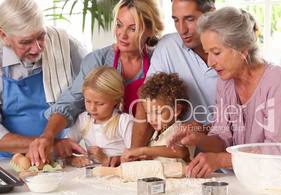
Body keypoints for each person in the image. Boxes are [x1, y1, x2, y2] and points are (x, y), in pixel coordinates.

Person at [168, 7, 281, 178]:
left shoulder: (280, 83)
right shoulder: (225, 84)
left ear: (243, 49)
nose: (210, 62)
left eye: (216, 52)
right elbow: (222, 139)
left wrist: (220, 161)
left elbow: (276, 153)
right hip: (253, 181)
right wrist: (197, 138)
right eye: (207, 53)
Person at [28, 0, 164, 166]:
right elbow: (71, 102)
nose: (122, 34)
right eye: (119, 25)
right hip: (110, 160)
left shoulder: (159, 60)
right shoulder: (98, 60)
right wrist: (48, 135)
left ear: (149, 30)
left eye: (133, 28)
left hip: (147, 153)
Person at [0, 0, 87, 160]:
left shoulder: (66, 46)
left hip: (63, 157)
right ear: (4, 35)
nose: (37, 48)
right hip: (9, 161)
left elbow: (87, 95)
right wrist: (49, 144)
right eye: (26, 42)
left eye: (41, 36)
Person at [131, 0, 218, 149]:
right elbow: (147, 99)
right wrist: (133, 155)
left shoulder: (233, 51)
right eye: (176, 20)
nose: (182, 29)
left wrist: (201, 129)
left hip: (229, 157)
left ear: (211, 14)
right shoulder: (168, 47)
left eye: (190, 19)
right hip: (184, 160)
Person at [57, 66, 134, 167]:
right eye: (88, 101)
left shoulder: (125, 122)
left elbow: (134, 158)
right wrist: (72, 159)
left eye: (100, 103)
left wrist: (105, 158)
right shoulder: (83, 119)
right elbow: (65, 147)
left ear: (115, 100)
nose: (92, 108)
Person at [121, 72, 193, 164]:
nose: (152, 119)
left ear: (176, 110)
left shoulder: (181, 130)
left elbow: (181, 151)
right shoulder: (154, 135)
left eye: (158, 113)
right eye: (148, 113)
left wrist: (143, 151)